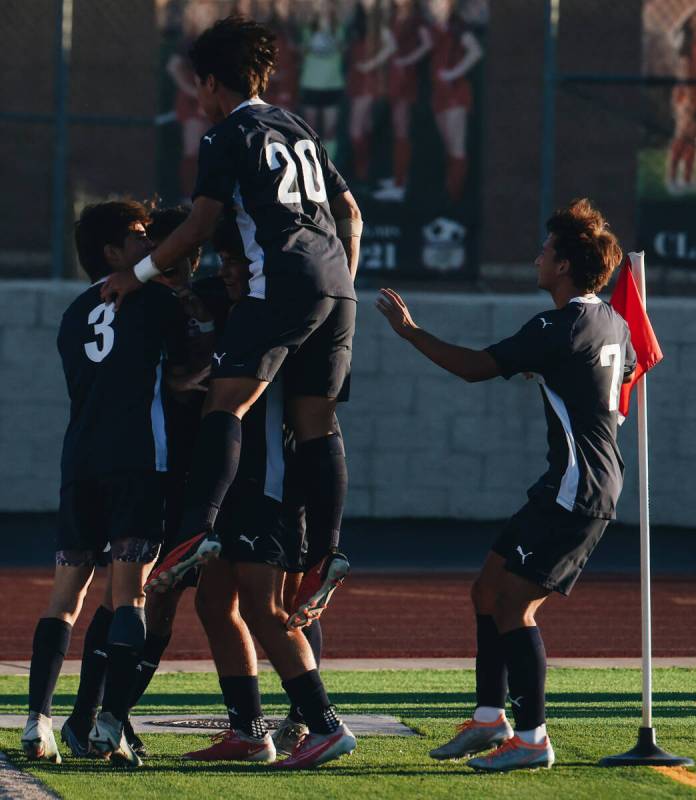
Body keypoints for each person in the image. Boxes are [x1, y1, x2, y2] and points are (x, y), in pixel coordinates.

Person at [99, 17, 361, 642]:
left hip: (284, 282)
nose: (199, 99)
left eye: (199, 88)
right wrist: (341, 285)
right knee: (317, 421)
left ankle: (193, 532)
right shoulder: (298, 127)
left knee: (227, 400)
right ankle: (326, 553)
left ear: (212, 82)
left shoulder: (227, 134)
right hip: (337, 285)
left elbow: (195, 227)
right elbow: (349, 211)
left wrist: (135, 274)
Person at [377, 198, 636, 772]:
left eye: (545, 251)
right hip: (567, 483)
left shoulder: (557, 324)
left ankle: (534, 738)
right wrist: (561, 372)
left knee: (515, 608)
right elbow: (631, 367)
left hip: (578, 488)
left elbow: (473, 368)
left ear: (565, 266)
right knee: (487, 591)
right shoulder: (609, 321)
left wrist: (410, 332)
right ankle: (491, 719)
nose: (537, 258)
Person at [20, 201, 194, 768]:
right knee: (130, 596)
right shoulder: (156, 299)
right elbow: (188, 369)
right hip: (138, 463)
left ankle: (37, 721)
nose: (150, 246)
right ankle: (109, 724)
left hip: (80, 464)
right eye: (139, 237)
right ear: (112, 252)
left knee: (63, 600)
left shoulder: (73, 312)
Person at [373, 0, 431, 202]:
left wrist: (407, 60)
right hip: (393, 80)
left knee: (402, 129)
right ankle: (398, 178)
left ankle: (400, 185)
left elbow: (427, 44)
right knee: (396, 129)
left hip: (406, 80)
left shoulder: (416, 21)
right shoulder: (392, 17)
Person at [427, 0, 483, 202]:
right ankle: (450, 194)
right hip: (439, 94)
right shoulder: (434, 29)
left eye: (439, 2)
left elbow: (475, 52)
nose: (434, 5)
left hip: (454, 94)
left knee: (457, 147)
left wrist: (452, 73)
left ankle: (455, 197)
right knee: (449, 147)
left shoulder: (457, 27)